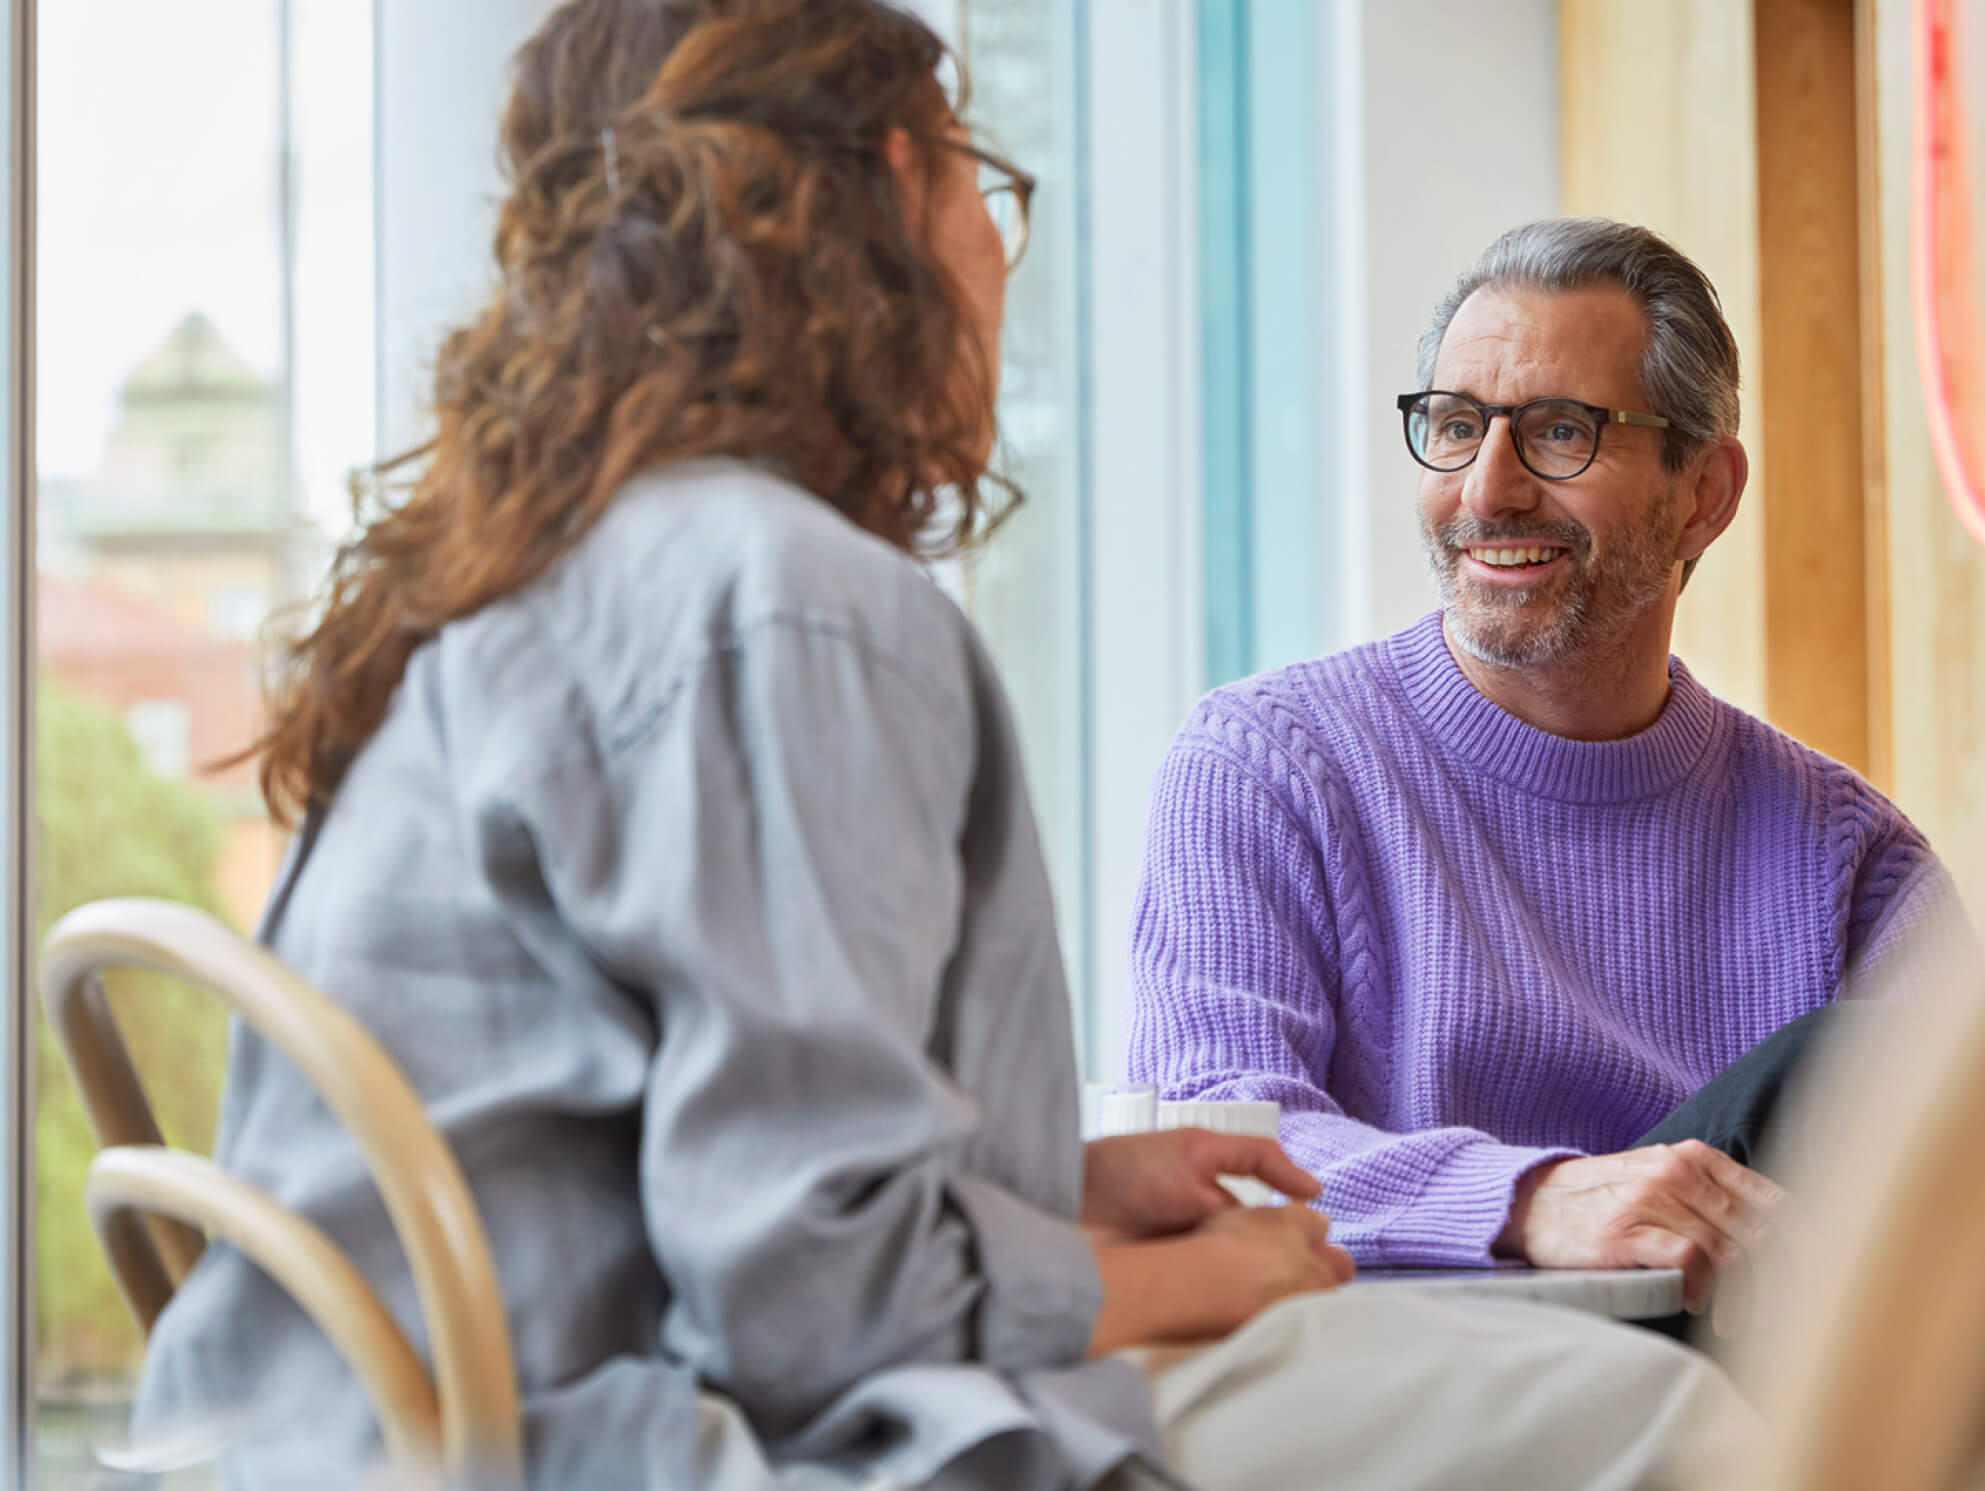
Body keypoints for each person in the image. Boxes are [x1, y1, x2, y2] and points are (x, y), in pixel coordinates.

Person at [131, 10, 1750, 1490]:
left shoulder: (559, 575)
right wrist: (1204, 1271)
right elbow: (813, 1311)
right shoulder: (795, 607)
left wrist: (1054, 1193)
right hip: (622, 1444)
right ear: (898, 187)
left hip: (374, 1419)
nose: (997, 251)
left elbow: (714, 1166)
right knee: (1669, 1422)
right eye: (986, 184)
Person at [1126, 216, 1985, 1327]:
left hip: (1747, 1409)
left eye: (1559, 433)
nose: (1486, 490)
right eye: (1454, 427)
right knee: (1838, 1080)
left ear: (1705, 495)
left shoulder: (1847, 852)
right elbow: (1218, 1149)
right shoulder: (1266, 767)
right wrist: (1534, 1200)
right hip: (1439, 1376)